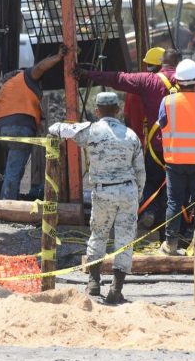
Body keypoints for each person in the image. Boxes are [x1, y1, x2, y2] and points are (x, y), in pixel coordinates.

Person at [48, 92, 145, 304]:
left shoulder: (90, 131)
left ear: (97, 110)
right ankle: (116, 289)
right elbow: (140, 171)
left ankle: (93, 283)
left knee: (98, 235)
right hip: (127, 191)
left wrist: (69, 127)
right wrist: (136, 195)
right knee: (125, 240)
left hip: (103, 192)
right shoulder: (131, 135)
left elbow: (56, 129)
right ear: (118, 110)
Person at [77, 48, 180, 230]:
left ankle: (148, 212)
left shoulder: (144, 83)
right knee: (175, 186)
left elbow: (117, 78)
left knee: (150, 181)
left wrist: (88, 74)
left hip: (154, 146)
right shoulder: (189, 84)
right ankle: (171, 223)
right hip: (182, 148)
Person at [158, 59, 195, 255]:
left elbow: (162, 124)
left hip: (174, 162)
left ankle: (171, 244)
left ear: (177, 81)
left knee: (174, 202)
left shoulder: (166, 102)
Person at [0, 46, 66, 200]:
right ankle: (7, 206)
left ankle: (7, 198)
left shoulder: (7, 86)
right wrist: (58, 57)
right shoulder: (26, 76)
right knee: (14, 170)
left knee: (11, 169)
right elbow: (40, 67)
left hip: (0, 129)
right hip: (18, 127)